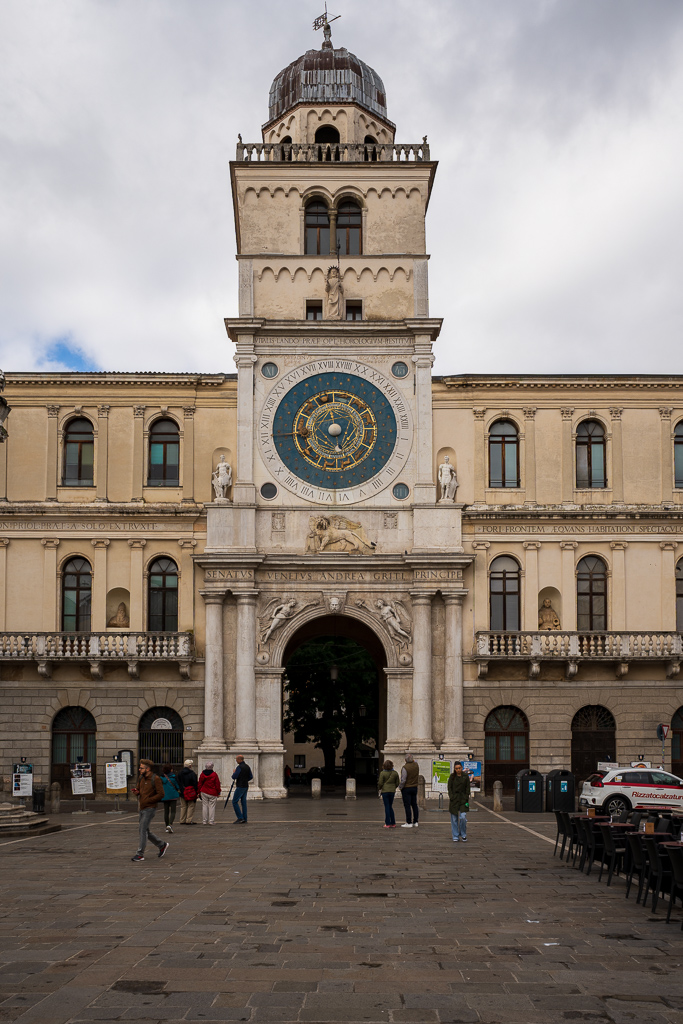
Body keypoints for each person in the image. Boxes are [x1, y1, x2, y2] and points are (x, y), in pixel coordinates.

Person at [130, 759, 168, 862]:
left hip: (150, 808)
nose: (139, 769)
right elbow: (139, 789)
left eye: (141, 768)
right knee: (145, 830)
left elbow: (161, 794)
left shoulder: (155, 779)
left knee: (142, 830)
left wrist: (149, 800)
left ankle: (140, 854)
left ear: (147, 769)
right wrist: (137, 792)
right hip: (142, 807)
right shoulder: (141, 777)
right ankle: (161, 844)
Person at [448, 761, 471, 843]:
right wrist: (451, 796)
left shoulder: (465, 776)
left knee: (463, 817)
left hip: (463, 799)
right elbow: (449, 788)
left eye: (459, 768)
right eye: (456, 768)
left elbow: (468, 788)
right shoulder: (452, 777)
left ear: (462, 768)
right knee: (454, 819)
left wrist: (466, 797)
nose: (458, 770)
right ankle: (455, 835)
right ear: (454, 769)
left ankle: (463, 834)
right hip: (454, 799)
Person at [399, 753, 420, 828]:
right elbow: (415, 761)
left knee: (407, 805)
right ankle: (416, 821)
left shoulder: (405, 768)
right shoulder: (416, 765)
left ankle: (409, 822)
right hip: (414, 787)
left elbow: (403, 780)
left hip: (407, 788)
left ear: (405, 760)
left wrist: (400, 787)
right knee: (414, 804)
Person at [377, 759, 400, 829]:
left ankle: (387, 823)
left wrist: (379, 788)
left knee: (387, 806)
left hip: (385, 791)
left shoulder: (382, 773)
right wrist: (393, 787)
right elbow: (397, 783)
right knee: (390, 806)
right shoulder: (395, 773)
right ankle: (393, 823)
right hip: (392, 791)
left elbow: (380, 783)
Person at [198, 761, 221, 825]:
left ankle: (204, 821)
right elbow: (217, 784)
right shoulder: (214, 774)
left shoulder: (202, 774)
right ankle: (211, 821)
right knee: (212, 807)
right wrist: (218, 792)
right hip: (212, 792)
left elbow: (200, 783)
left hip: (204, 791)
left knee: (204, 806)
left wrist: (198, 792)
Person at [231, 755, 253, 824]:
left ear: (240, 760)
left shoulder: (239, 767)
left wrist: (234, 773)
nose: (236, 761)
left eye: (237, 759)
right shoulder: (247, 766)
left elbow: (234, 776)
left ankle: (240, 817)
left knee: (234, 801)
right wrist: (245, 780)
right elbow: (251, 776)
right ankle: (245, 818)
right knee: (243, 803)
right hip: (245, 786)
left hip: (240, 786)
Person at [160, 763, 180, 833]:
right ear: (171, 770)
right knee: (173, 811)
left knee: (166, 812)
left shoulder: (161, 778)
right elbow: (177, 786)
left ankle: (166, 826)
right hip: (173, 795)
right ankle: (170, 824)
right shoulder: (173, 777)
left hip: (165, 796)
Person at [177, 758, 198, 825]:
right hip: (191, 792)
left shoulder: (180, 773)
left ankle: (182, 820)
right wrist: (196, 792)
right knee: (191, 806)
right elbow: (195, 783)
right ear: (190, 766)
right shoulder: (192, 773)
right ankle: (189, 820)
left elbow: (178, 782)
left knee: (183, 806)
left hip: (182, 791)